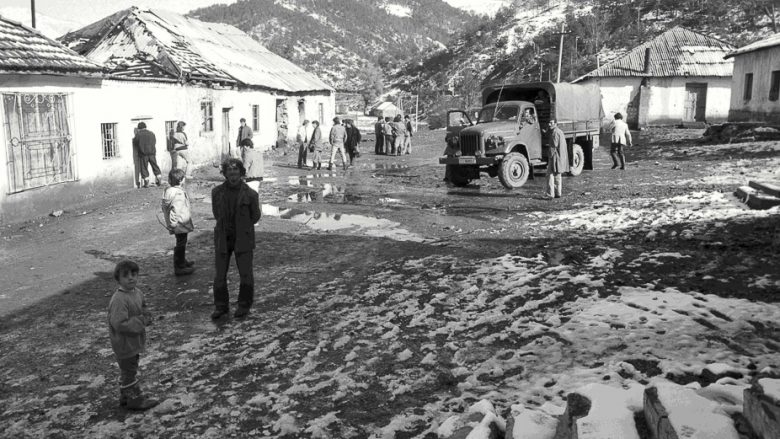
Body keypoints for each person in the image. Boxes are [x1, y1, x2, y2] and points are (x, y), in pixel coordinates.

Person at [211, 158, 262, 320]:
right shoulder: (216, 192)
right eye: (229, 170)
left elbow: (255, 216)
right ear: (225, 173)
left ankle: (244, 305)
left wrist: (242, 225)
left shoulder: (251, 194)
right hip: (223, 237)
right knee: (220, 274)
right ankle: (221, 306)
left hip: (243, 238)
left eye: (235, 170)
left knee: (246, 274)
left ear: (241, 172)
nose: (232, 173)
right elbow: (216, 214)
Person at [108, 259, 158, 411]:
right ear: (119, 279)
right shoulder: (119, 299)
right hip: (124, 343)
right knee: (129, 370)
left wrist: (147, 314)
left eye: (134, 274)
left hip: (134, 341)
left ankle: (125, 397)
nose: (131, 278)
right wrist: (141, 321)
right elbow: (119, 323)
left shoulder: (137, 292)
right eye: (126, 276)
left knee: (129, 368)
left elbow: (142, 306)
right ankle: (133, 400)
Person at [161, 168, 195, 276]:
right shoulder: (178, 194)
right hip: (180, 223)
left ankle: (182, 261)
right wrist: (174, 223)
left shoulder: (169, 191)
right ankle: (179, 266)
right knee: (181, 244)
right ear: (181, 180)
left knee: (180, 242)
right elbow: (177, 210)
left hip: (177, 223)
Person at [133, 122, 162, 187]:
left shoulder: (138, 135)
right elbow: (154, 142)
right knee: (155, 166)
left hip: (143, 154)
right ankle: (159, 179)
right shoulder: (152, 133)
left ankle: (146, 182)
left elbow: (135, 142)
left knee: (144, 168)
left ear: (139, 128)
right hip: (152, 153)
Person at [545, 119, 568, 199]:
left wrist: (549, 157)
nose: (549, 124)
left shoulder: (554, 133)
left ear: (555, 124)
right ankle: (558, 193)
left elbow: (553, 146)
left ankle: (550, 194)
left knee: (549, 175)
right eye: (549, 122)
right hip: (560, 156)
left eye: (551, 123)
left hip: (555, 157)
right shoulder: (560, 132)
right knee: (558, 174)